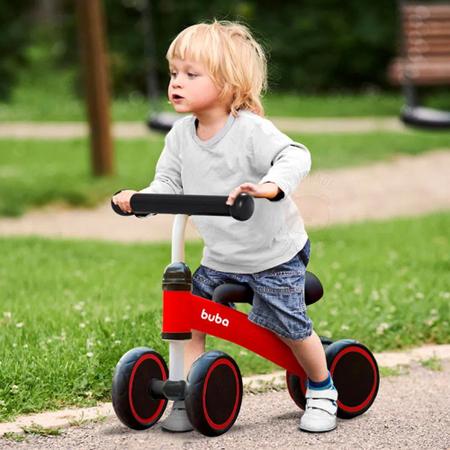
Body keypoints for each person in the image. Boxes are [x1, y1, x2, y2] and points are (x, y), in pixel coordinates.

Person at [113, 20, 337, 433]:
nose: (177, 82)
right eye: (174, 73)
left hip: (273, 254)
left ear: (229, 83)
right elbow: (168, 182)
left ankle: (322, 388)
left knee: (289, 324)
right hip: (221, 257)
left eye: (191, 74)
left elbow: (295, 155)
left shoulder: (249, 130)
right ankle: (185, 397)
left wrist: (270, 186)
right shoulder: (180, 136)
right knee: (191, 319)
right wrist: (141, 199)